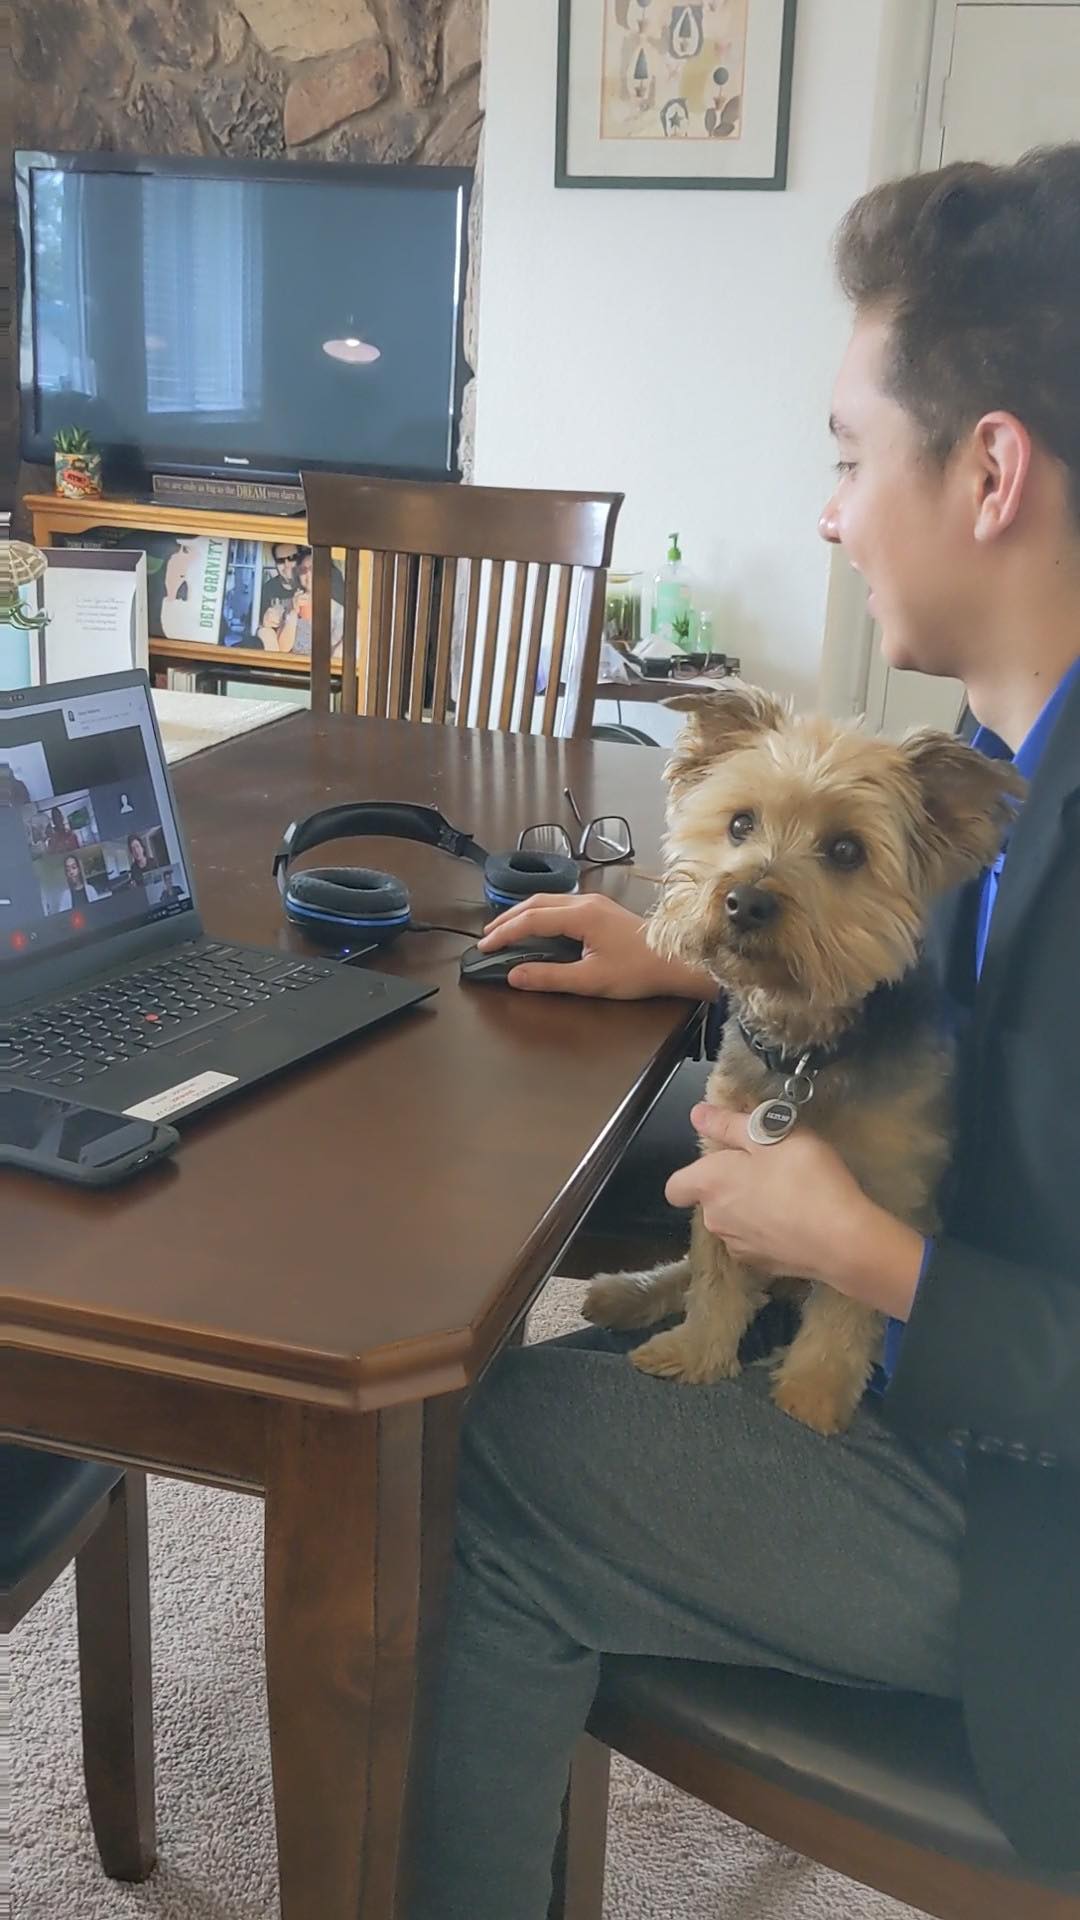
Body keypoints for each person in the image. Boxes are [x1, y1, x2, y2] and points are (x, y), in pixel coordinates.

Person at [411, 144, 1080, 1918]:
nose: (831, 513)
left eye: (851, 457)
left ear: (990, 469)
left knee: (484, 1454)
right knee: (558, 1230)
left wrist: (874, 1258)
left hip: (1034, 1540)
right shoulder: (1014, 762)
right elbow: (983, 1037)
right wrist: (702, 953)